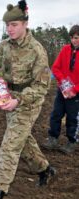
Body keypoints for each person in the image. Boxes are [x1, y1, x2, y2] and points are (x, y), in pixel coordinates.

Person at [0, 1, 56, 198]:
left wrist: (19, 100)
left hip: (29, 102)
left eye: (14, 25)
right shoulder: (4, 46)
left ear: (25, 24)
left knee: (10, 144)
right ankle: (45, 169)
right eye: (7, 25)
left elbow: (41, 87)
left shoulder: (37, 50)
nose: (9, 29)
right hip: (8, 98)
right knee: (22, 139)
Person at [42, 25, 79, 154]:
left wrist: (74, 89)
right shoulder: (65, 50)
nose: (76, 40)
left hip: (75, 94)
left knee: (72, 118)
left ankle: (71, 142)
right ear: (71, 38)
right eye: (75, 38)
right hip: (62, 90)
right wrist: (63, 82)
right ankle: (53, 138)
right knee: (56, 114)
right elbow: (56, 68)